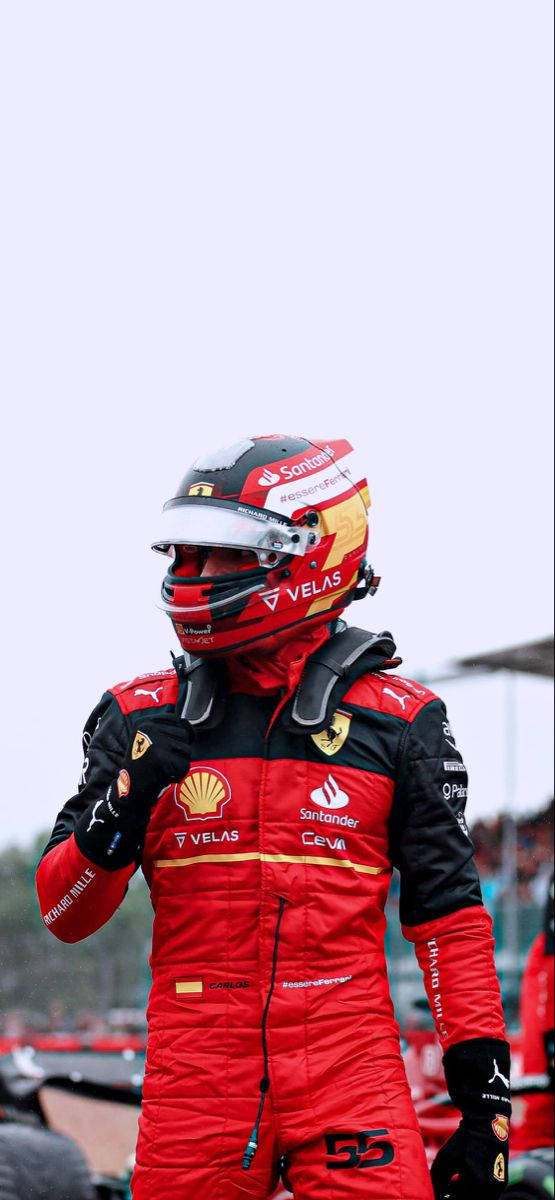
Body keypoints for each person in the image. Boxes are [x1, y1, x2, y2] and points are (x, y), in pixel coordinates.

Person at [36, 436, 511, 1200]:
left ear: (312, 553)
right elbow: (62, 914)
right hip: (196, 1075)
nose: (193, 577)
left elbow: (448, 922)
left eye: (224, 555)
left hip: (349, 1062)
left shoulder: (402, 722)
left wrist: (485, 1103)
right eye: (185, 554)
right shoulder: (136, 715)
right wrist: (120, 809)